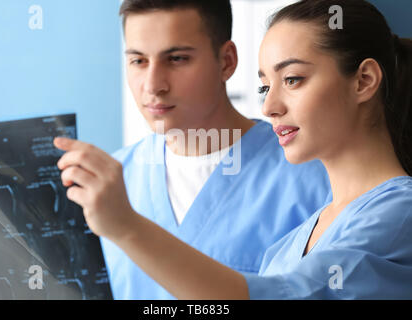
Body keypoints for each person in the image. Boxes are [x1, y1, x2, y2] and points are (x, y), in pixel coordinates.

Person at [53, 0, 348, 300]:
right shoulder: (104, 186)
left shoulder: (316, 178)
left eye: (177, 59)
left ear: (226, 61)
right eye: (138, 61)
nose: (153, 85)